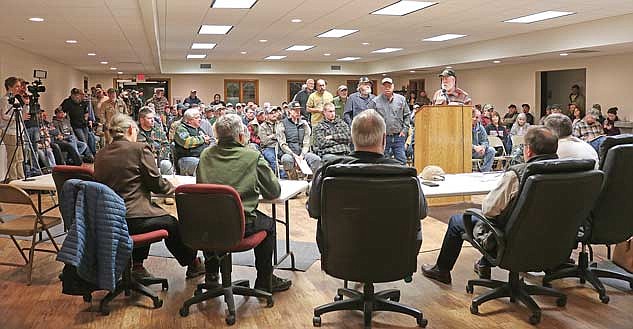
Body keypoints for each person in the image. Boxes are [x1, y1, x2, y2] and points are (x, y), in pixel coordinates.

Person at [421, 126, 559, 284]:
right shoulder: (568, 172)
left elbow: (489, 210)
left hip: (509, 239)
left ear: (528, 151)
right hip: (548, 239)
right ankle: (483, 263)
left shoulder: (518, 175)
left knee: (458, 221)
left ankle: (441, 271)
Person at [94, 114, 204, 280]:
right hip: (133, 217)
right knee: (171, 223)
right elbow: (156, 183)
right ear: (131, 130)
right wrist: (174, 189)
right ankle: (193, 263)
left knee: (151, 212)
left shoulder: (100, 154)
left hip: (109, 218)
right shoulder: (139, 149)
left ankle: (137, 265)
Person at [308, 109, 427, 253]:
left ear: (352, 138)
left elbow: (314, 210)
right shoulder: (406, 173)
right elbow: (421, 212)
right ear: (384, 139)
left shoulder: (328, 170)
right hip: (394, 256)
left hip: (342, 256)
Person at [196, 114, 292, 293]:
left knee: (212, 217)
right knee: (269, 225)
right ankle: (265, 280)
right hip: (240, 225)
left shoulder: (205, 155)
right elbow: (273, 191)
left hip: (206, 225)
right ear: (241, 135)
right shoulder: (252, 156)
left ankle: (211, 275)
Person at [277, 102, 321, 178]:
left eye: (299, 110)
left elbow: (306, 142)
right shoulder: (282, 124)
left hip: (302, 152)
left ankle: (310, 181)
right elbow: (282, 144)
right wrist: (294, 155)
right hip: (289, 152)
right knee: (286, 159)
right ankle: (294, 180)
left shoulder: (304, 124)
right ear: (289, 111)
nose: (298, 112)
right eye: (295, 110)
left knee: (316, 159)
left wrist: (302, 155)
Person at [373, 77, 410, 165]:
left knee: (402, 161)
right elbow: (372, 119)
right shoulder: (375, 101)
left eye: (389, 86)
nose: (387, 88)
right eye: (385, 86)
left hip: (398, 136)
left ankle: (402, 178)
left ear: (393, 86)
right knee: (383, 162)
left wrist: (404, 130)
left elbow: (407, 115)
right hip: (383, 137)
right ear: (382, 87)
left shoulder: (401, 99)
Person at [174, 108, 212, 175]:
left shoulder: (199, 129)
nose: (200, 119)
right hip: (186, 158)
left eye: (200, 117)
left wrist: (203, 140)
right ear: (189, 120)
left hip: (201, 156)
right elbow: (187, 142)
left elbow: (208, 140)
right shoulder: (181, 129)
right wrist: (202, 139)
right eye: (197, 118)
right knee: (200, 164)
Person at [60, 88, 97, 156]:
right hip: (75, 125)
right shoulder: (67, 102)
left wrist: (86, 120)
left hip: (84, 124)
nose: (76, 96)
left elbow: (86, 112)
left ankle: (87, 155)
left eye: (78, 95)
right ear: (71, 95)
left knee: (87, 139)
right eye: (75, 95)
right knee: (83, 141)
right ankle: (90, 155)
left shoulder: (82, 102)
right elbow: (61, 110)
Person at [137, 107, 173, 175]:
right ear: (142, 120)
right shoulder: (136, 132)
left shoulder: (158, 129)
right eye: (149, 118)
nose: (152, 120)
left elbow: (166, 145)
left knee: (166, 164)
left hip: (159, 159)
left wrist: (160, 159)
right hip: (143, 161)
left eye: (153, 118)